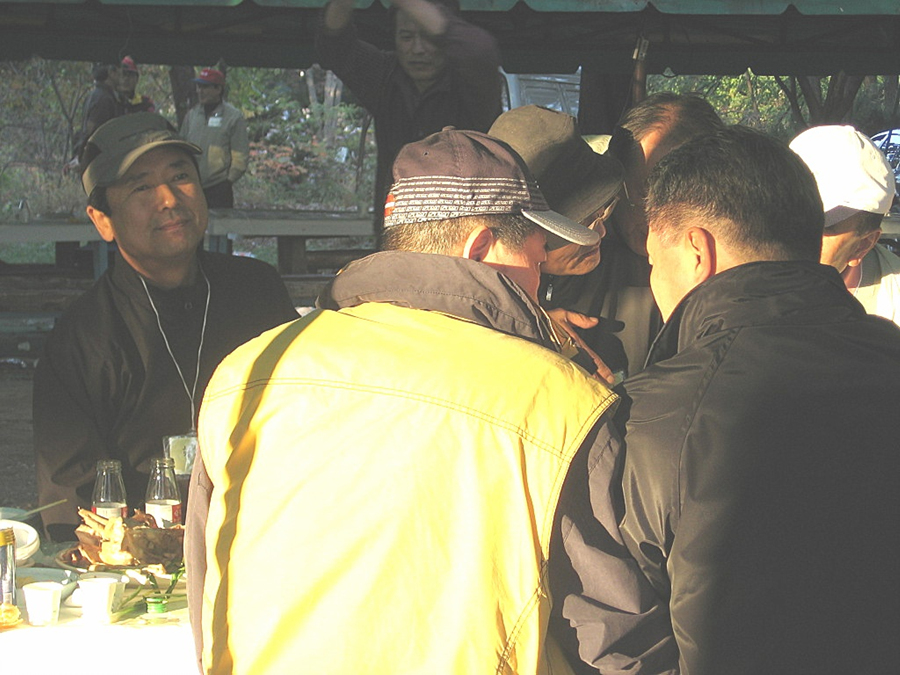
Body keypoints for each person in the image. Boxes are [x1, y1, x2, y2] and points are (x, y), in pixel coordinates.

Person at [186, 128, 675, 674]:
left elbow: (209, 602)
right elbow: (616, 646)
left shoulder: (246, 373)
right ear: (480, 249)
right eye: (537, 260)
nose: (538, 285)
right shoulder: (560, 402)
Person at [559, 125, 900, 674]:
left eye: (654, 262)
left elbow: (618, 643)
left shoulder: (645, 421)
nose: (654, 281)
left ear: (698, 250)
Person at [33, 113, 298, 542]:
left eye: (180, 176)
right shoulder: (83, 338)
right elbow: (72, 498)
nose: (169, 199)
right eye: (141, 187)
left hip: (265, 537)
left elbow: (306, 413)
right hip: (138, 557)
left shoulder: (257, 293)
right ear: (102, 220)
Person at [544, 92, 724, 377]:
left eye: (683, 200)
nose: (660, 222)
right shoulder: (573, 247)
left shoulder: (729, 262)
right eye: (645, 196)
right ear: (618, 179)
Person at [316, 0, 502, 236]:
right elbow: (335, 47)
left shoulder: (472, 83)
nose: (418, 49)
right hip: (397, 235)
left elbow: (479, 49)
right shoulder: (386, 76)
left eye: (430, 38)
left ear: (447, 38)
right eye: (406, 37)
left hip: (464, 234)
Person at [488, 104, 627, 383]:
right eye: (582, 222)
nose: (601, 232)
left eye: (604, 210)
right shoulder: (474, 302)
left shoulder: (634, 272)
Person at [790, 124, 900, 325]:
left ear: (863, 245)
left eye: (820, 225)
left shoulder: (892, 310)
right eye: (785, 213)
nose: (789, 232)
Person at [180, 68, 249, 208]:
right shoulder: (192, 115)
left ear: (218, 89)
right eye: (199, 87)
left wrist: (228, 181)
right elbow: (181, 146)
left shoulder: (233, 117)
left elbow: (240, 154)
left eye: (205, 87)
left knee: (220, 222)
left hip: (218, 189)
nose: (200, 91)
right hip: (192, 186)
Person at [67, 62, 122, 171]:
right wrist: (81, 158)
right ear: (111, 72)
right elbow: (91, 130)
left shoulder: (96, 95)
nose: (121, 74)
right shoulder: (103, 99)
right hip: (99, 164)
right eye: (118, 69)